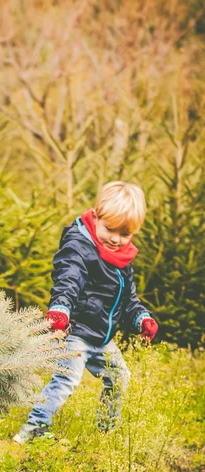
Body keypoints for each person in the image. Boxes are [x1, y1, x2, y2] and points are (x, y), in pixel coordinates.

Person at [13, 181, 158, 443]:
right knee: (67, 379)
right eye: (110, 229)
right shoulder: (79, 246)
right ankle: (34, 428)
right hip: (77, 331)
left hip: (101, 337)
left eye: (124, 234)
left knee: (119, 376)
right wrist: (60, 309)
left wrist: (141, 317)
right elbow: (68, 278)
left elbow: (129, 299)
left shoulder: (121, 259)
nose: (115, 239)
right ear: (97, 216)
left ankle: (106, 430)